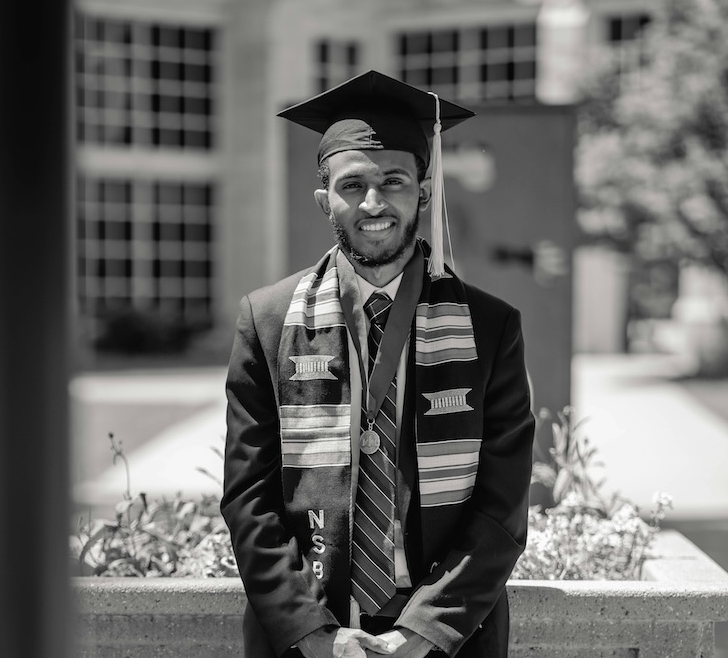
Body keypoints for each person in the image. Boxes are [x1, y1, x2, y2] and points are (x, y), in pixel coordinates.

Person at [221, 70, 535, 658]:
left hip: (448, 634)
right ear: (325, 201)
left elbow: (503, 503)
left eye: (393, 180)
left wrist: (423, 634)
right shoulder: (266, 322)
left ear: (423, 189)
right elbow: (249, 498)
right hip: (304, 630)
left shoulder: (490, 328)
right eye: (353, 184)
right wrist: (310, 631)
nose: (373, 202)